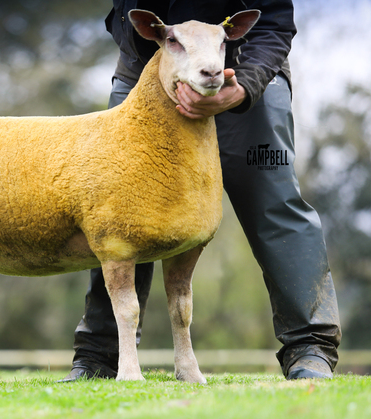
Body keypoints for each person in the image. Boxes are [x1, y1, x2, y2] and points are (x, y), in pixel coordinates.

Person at [61, 0, 342, 382]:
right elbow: (125, 16)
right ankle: (100, 353)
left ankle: (310, 347)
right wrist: (171, 59)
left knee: (273, 196)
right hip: (147, 74)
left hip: (245, 75)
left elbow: (274, 19)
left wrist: (242, 86)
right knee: (116, 207)